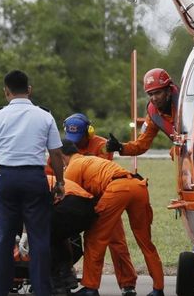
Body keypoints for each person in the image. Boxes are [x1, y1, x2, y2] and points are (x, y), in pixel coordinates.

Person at [0, 69, 66, 296]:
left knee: (4, 238)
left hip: (6, 178)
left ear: (6, 92)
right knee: (39, 238)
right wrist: (60, 182)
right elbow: (56, 154)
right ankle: (41, 290)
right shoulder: (45, 116)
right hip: (34, 178)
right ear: (29, 90)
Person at [62, 140, 164, 296]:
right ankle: (157, 288)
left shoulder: (72, 167)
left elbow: (71, 201)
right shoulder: (92, 160)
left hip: (116, 190)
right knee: (145, 241)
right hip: (137, 185)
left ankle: (90, 288)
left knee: (95, 238)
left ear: (60, 154)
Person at [63, 114, 138, 296]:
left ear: (89, 132)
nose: (76, 142)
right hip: (76, 200)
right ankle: (66, 276)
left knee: (117, 242)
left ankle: (127, 284)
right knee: (66, 238)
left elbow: (102, 169)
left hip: (104, 199)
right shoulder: (63, 147)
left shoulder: (102, 144)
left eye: (80, 137)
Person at [106, 68, 178, 156]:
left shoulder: (187, 103)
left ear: (168, 91)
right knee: (175, 152)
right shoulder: (153, 116)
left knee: (176, 151)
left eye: (158, 93)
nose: (154, 98)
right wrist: (120, 147)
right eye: (150, 94)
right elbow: (140, 145)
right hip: (183, 149)